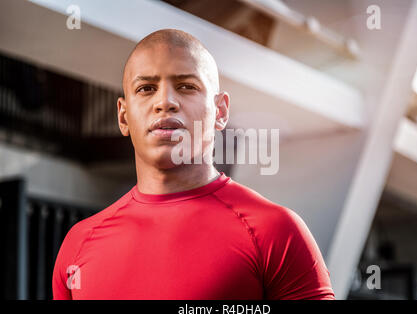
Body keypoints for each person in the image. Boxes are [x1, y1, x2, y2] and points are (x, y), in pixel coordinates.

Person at [52, 29, 335, 300]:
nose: (165, 102)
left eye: (187, 86)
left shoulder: (275, 232)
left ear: (220, 112)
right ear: (123, 117)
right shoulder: (78, 244)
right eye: (146, 88)